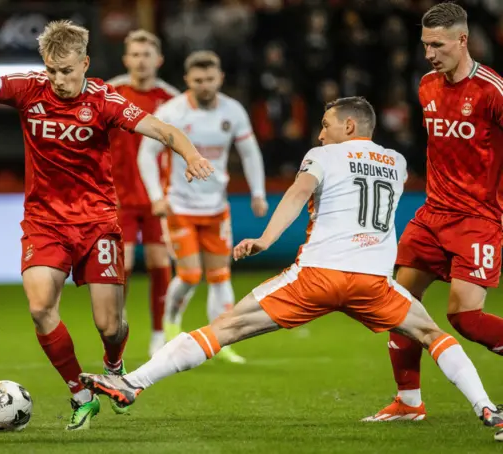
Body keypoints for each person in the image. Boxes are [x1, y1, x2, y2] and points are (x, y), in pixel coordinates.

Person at [78, 97, 503, 438]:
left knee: (225, 328)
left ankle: (131, 383)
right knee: (432, 334)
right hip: (374, 282)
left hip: (316, 276)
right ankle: (486, 407)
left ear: (349, 127)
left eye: (326, 124)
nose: (320, 133)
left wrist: (265, 238)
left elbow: (299, 194)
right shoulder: (395, 162)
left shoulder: (324, 156)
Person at [0, 20, 213, 431]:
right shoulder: (26, 87)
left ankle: (113, 365)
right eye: (51, 70)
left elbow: (164, 130)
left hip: (97, 223)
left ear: (84, 63)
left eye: (67, 71)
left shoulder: (105, 99)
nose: (58, 80)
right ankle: (81, 395)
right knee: (40, 306)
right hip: (45, 223)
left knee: (110, 325)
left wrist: (192, 156)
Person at [363, 2, 503, 425]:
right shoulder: (426, 85)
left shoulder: (492, 91)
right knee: (398, 303)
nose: (429, 53)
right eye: (425, 44)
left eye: (437, 45)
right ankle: (408, 402)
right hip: (432, 214)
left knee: (465, 317)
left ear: (463, 40)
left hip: (478, 219)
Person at [138, 50, 268, 364]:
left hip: (216, 208)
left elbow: (249, 153)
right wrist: (157, 195)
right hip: (181, 206)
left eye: (210, 79)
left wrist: (258, 193)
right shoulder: (172, 111)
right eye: (198, 80)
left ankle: (221, 341)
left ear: (220, 78)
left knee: (221, 275)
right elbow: (146, 153)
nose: (205, 85)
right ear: (187, 81)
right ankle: (170, 330)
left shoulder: (233, 111)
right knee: (191, 274)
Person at [107, 30, 180, 357]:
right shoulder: (112, 92)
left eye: (146, 54)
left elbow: (180, 149)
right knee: (122, 266)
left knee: (158, 261)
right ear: (126, 59)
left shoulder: (172, 100)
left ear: (158, 60)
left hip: (157, 198)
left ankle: (158, 333)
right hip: (118, 196)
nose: (140, 60)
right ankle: (117, 327)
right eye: (134, 54)